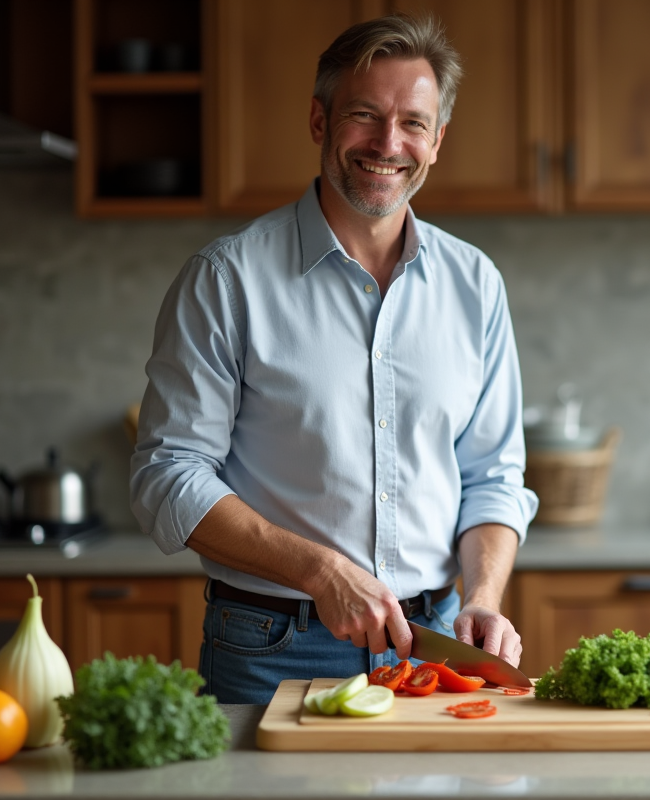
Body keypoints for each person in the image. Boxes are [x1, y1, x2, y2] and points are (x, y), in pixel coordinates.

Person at [130, 14, 537, 704]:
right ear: (319, 122)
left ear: (437, 142)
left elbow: (493, 475)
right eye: (364, 116)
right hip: (270, 647)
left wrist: (485, 595)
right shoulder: (227, 279)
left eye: (413, 123)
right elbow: (166, 475)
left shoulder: (475, 284)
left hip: (432, 645)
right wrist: (320, 571)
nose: (388, 143)